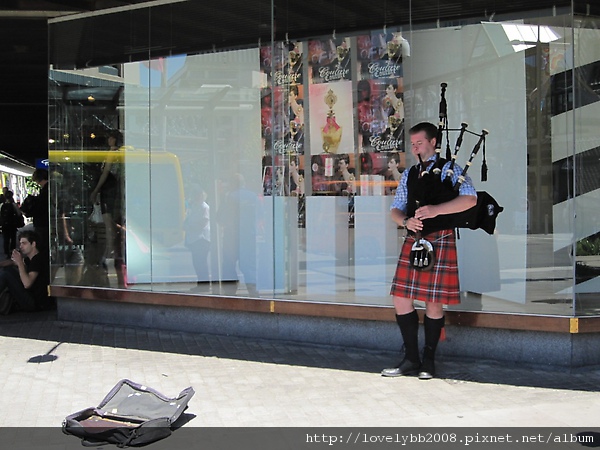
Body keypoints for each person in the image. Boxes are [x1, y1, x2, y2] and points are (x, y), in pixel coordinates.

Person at [382, 122, 477, 380]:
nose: (415, 148)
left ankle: (429, 360)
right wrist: (405, 221)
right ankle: (411, 358)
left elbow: (470, 198)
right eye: (412, 144)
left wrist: (436, 210)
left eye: (419, 143)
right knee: (401, 298)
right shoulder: (410, 173)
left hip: (440, 238)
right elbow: (395, 209)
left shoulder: (450, 169)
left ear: (433, 142)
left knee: (433, 302)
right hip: (414, 239)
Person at [0, 230, 51, 314]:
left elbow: (27, 284)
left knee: (7, 274)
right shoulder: (30, 259)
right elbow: (12, 262)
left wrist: (20, 263)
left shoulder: (37, 260)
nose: (21, 246)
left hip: (36, 303)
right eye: (20, 243)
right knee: (8, 270)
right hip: (32, 298)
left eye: (24, 243)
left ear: (33, 244)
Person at [183, 184, 211, 293]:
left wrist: (190, 227)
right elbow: (188, 218)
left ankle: (204, 285)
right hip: (194, 239)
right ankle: (201, 284)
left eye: (197, 194)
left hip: (201, 239)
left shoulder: (204, 207)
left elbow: (203, 222)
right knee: (196, 263)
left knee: (201, 263)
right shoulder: (194, 206)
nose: (195, 197)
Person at [1, 191, 23, 258]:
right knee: (13, 238)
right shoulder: (14, 205)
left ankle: (6, 252)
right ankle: (12, 251)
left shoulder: (1, 205)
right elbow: (19, 213)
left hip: (4, 225)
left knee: (6, 238)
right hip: (12, 225)